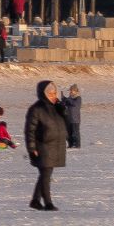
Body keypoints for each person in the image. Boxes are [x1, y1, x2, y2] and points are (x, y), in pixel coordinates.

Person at [24, 80, 69, 211]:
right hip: (42, 146)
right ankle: (48, 203)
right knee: (46, 174)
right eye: (50, 93)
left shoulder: (56, 107)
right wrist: (32, 148)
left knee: (45, 174)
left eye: (54, 93)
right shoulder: (36, 109)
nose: (53, 95)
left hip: (55, 146)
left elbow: (66, 122)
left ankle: (35, 200)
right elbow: (30, 130)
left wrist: (63, 109)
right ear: (43, 94)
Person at [63, 85, 83, 149]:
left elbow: (74, 104)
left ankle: (77, 145)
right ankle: (70, 144)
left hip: (75, 120)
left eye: (72, 91)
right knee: (68, 133)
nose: (70, 92)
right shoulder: (70, 98)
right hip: (68, 119)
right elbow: (65, 105)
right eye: (70, 91)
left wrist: (68, 99)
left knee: (75, 133)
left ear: (75, 91)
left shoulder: (78, 98)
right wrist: (64, 100)